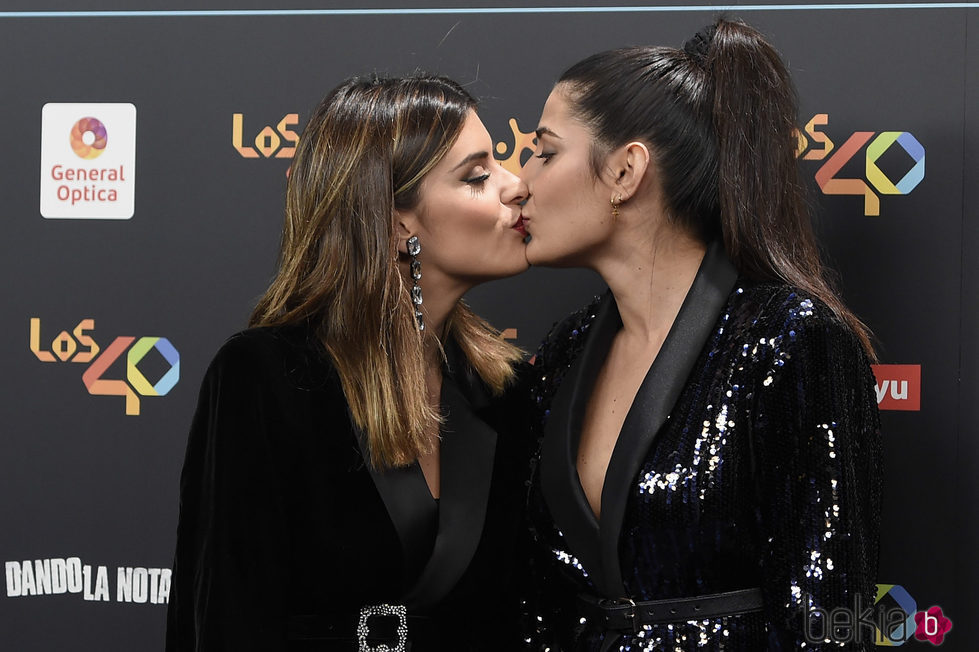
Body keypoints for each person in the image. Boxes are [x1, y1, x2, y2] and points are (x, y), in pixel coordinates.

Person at [518, 18, 881, 651]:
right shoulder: (563, 351)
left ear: (627, 171)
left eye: (545, 151)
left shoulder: (793, 342)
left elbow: (830, 618)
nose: (520, 179)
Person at [166, 74, 532, 652]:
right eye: (477, 176)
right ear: (393, 223)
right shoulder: (266, 378)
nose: (518, 186)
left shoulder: (500, 389)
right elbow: (225, 615)